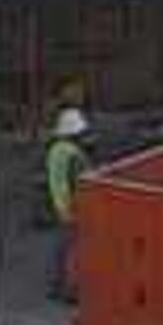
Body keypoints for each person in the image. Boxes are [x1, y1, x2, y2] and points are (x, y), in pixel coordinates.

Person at [44, 108, 94, 304]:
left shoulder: (55, 150)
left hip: (58, 204)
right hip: (73, 208)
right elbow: (80, 183)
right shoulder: (74, 154)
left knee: (62, 248)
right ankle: (69, 290)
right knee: (74, 250)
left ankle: (57, 287)